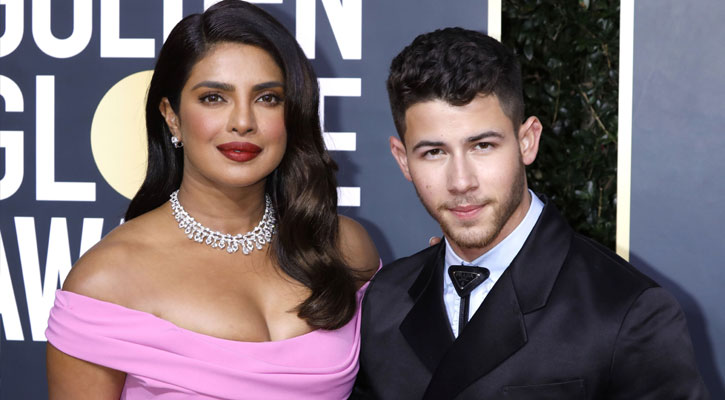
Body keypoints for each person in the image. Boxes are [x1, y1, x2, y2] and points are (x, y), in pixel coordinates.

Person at [45, 1, 379, 399]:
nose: (243, 122)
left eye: (267, 98)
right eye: (214, 98)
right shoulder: (106, 282)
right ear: (171, 116)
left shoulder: (343, 247)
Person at [352, 27, 708, 399]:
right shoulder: (385, 300)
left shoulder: (627, 310)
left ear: (527, 141)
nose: (461, 182)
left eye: (483, 146)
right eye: (434, 152)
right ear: (402, 160)